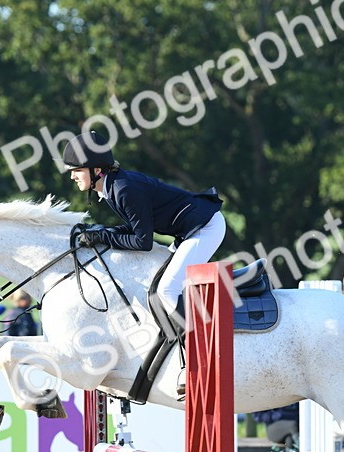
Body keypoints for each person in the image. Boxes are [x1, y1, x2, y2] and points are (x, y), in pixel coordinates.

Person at [62, 129, 226, 323]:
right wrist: (101, 231)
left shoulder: (124, 190)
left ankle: (196, 344)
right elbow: (135, 228)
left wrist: (103, 236)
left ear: (97, 170)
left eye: (77, 170)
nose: (73, 176)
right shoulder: (113, 187)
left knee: (167, 290)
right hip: (187, 232)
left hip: (204, 228)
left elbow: (143, 242)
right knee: (155, 280)